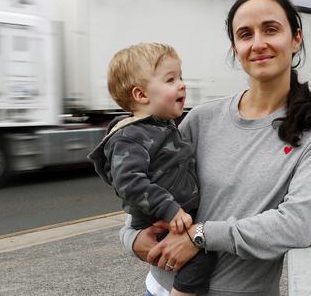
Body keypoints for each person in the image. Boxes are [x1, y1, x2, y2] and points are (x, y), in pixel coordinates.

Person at [120, 0, 311, 296]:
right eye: (245, 34)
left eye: (270, 29)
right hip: (161, 288)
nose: (258, 44)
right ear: (236, 48)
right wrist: (131, 237)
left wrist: (200, 235)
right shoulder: (202, 118)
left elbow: (300, 224)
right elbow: (147, 185)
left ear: (296, 38)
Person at [88, 42, 217, 296]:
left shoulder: (162, 126)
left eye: (180, 77)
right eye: (171, 80)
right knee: (202, 255)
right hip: (158, 221)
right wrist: (169, 208)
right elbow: (129, 183)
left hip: (173, 218)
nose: (182, 84)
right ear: (141, 95)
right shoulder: (129, 136)